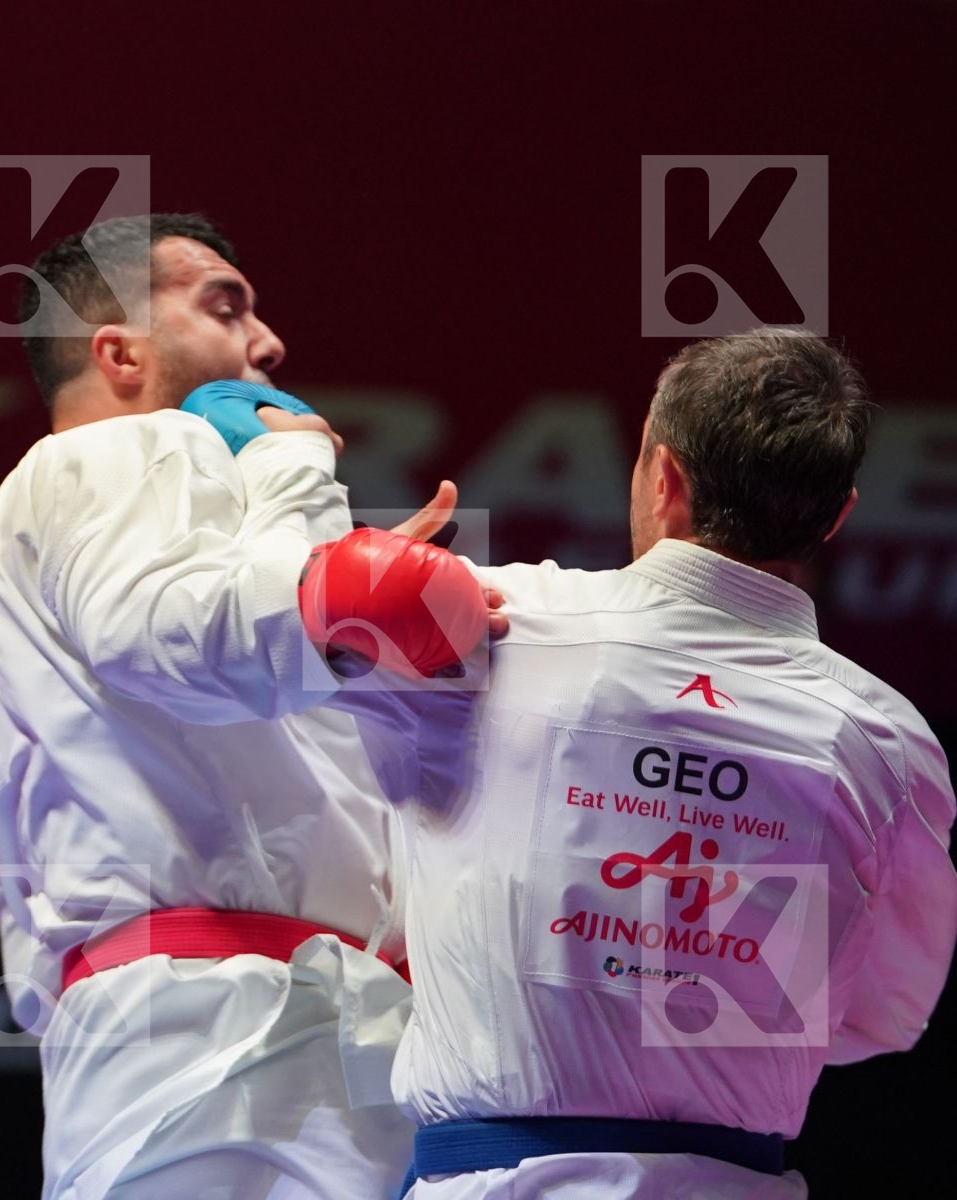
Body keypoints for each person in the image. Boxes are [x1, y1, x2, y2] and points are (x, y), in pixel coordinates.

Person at [0, 213, 493, 1199]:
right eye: (225, 305)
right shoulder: (113, 454)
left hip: (279, 1035)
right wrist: (306, 509)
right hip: (215, 1041)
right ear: (117, 350)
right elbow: (171, 636)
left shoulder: (159, 512)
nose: (270, 341)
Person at [380, 329, 957, 1197]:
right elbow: (884, 1015)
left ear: (664, 478)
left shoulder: (496, 619)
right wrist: (695, 987)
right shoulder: (887, 740)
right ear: (837, 516)